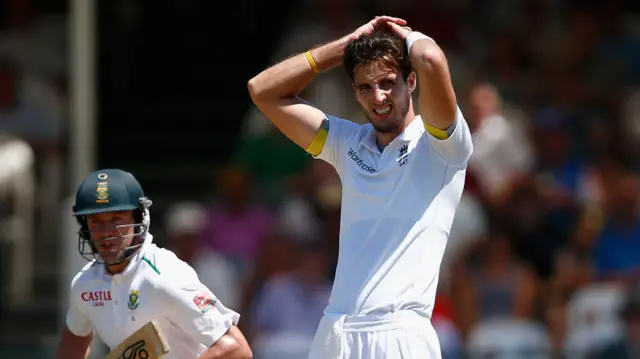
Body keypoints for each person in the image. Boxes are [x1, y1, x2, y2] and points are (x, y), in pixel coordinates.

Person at [248, 15, 473, 359]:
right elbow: (262, 91)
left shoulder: (442, 146)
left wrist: (409, 37)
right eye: (365, 87)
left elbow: (430, 58)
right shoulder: (346, 143)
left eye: (387, 83)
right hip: (335, 332)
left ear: (411, 81)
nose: (378, 96)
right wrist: (344, 45)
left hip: (401, 335)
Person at [53, 169, 252, 359]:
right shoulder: (86, 283)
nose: (106, 231)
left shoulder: (164, 277)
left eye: (116, 219)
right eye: (96, 221)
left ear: (138, 219)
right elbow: (75, 339)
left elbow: (236, 348)